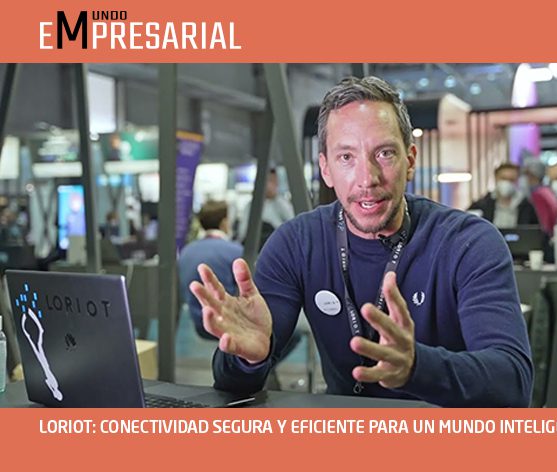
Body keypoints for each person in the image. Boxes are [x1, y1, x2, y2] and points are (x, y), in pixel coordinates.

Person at [190, 76, 532, 407]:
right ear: (326, 168)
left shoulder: (468, 243)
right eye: (346, 157)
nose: (367, 179)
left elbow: (513, 382)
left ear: (410, 160)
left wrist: (418, 366)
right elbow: (231, 387)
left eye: (384, 153)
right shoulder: (297, 244)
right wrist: (247, 359)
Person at [179, 201, 243, 339]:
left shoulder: (186, 251)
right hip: (229, 325)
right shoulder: (236, 251)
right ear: (224, 222)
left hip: (199, 323)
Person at [468, 163, 539, 229]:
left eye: (511, 180)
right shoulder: (481, 205)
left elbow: (535, 231)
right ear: (496, 178)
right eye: (503, 179)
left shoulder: (527, 207)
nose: (507, 183)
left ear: (517, 180)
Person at [236, 168, 294, 248]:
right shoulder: (251, 206)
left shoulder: (282, 203)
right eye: (269, 181)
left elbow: (292, 224)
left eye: (274, 182)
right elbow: (243, 233)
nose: (271, 185)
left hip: (278, 244)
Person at [521, 156, 557, 236]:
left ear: (532, 175)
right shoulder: (546, 191)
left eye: (527, 174)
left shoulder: (538, 195)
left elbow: (543, 222)